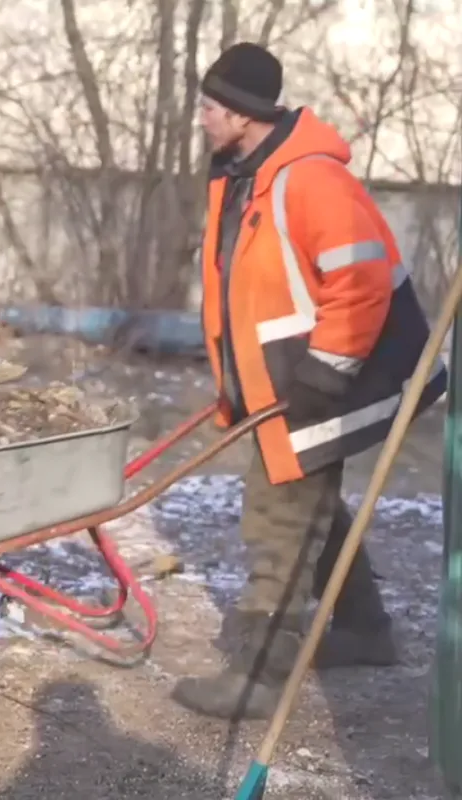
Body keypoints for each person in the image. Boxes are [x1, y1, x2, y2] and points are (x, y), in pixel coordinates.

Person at [172, 42, 447, 721]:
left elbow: (360, 280)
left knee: (278, 520)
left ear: (242, 114)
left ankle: (260, 675)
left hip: (319, 380)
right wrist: (235, 386)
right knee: (314, 508)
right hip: (280, 378)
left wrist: (327, 370)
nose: (201, 118)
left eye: (209, 107)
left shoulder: (309, 178)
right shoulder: (247, 175)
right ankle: (364, 632)